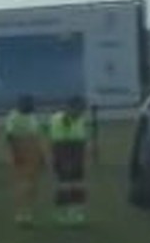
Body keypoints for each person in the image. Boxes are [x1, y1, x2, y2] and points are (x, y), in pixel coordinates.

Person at [5, 95, 46, 225]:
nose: (31, 106)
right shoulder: (13, 116)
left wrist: (41, 155)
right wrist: (16, 153)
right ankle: (21, 214)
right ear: (21, 104)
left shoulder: (32, 116)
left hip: (33, 151)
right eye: (28, 103)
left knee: (33, 184)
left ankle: (29, 213)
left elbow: (36, 135)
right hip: (21, 150)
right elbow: (10, 136)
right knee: (23, 183)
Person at [48, 96, 90, 225]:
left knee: (77, 184)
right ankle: (63, 213)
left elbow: (82, 137)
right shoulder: (61, 119)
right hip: (64, 151)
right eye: (79, 109)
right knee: (65, 184)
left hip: (76, 151)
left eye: (82, 109)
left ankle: (76, 213)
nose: (81, 112)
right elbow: (61, 139)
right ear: (70, 107)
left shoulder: (79, 119)